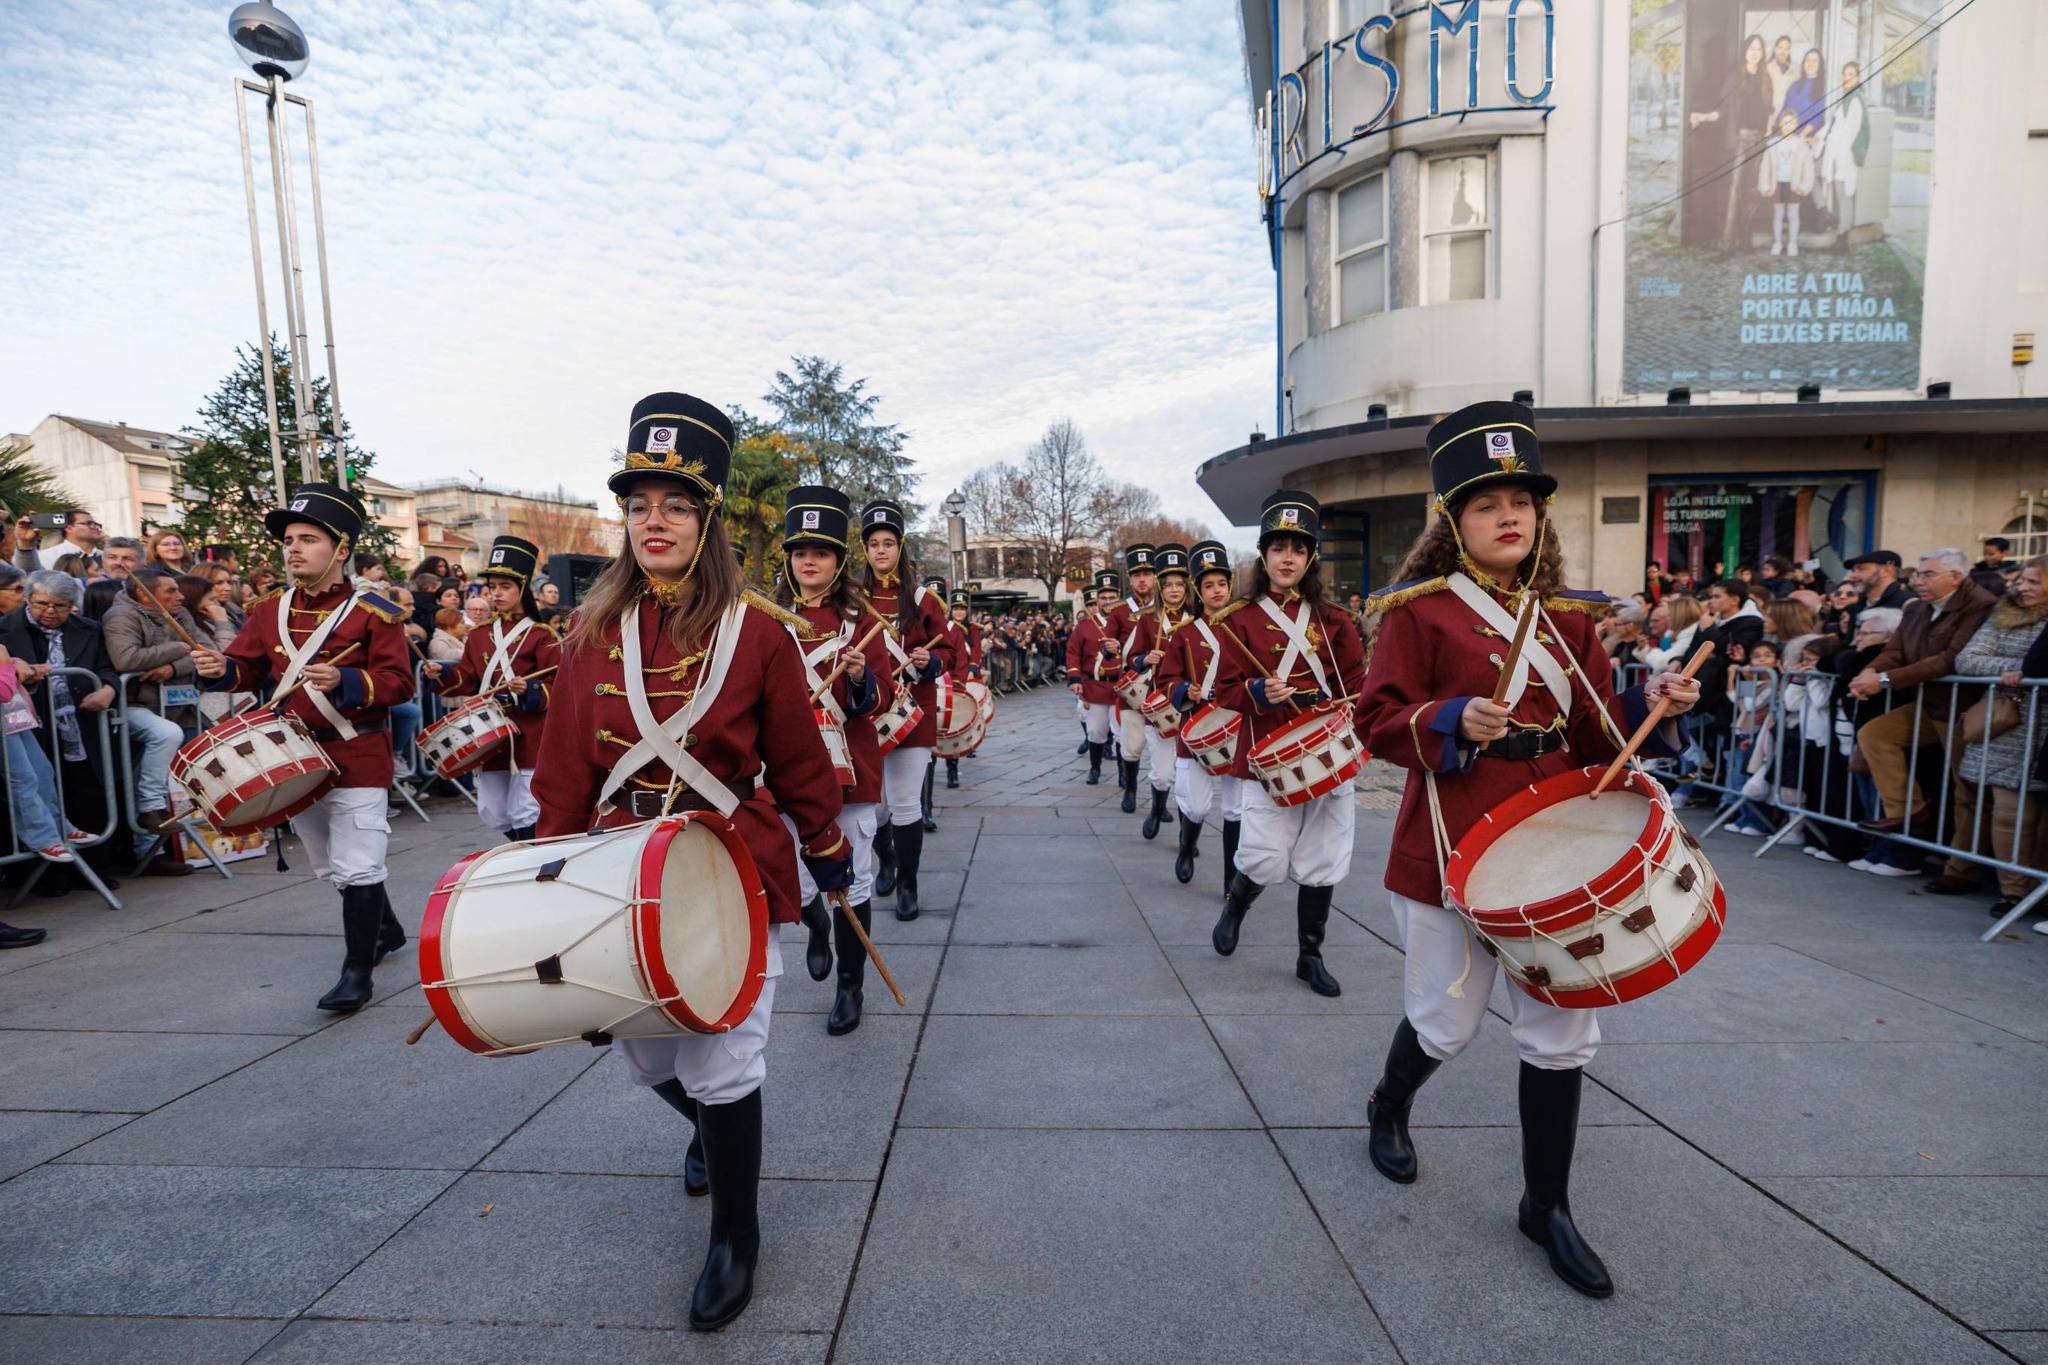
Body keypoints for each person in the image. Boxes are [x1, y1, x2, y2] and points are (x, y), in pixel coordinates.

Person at [1353, 400, 1699, 1298]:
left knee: (1560, 1033)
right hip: (1451, 844)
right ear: (1453, 524)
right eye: (1485, 503)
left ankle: (1546, 1205)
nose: (1511, 514)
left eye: (1523, 499)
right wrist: (1450, 717)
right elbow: (1375, 720)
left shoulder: (1568, 621)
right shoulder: (1419, 615)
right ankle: (1389, 1102)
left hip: (1555, 845)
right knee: (1447, 1020)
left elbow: (1595, 734)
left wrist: (1654, 703)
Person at [531, 392, 849, 1331]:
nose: (653, 520)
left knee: (724, 1051)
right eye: (638, 504)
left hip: (724, 863)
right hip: (622, 866)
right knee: (645, 1053)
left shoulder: (759, 633)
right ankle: (713, 1141)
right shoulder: (590, 635)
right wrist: (551, 879)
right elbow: (560, 774)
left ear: (705, 519)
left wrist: (828, 862)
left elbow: (798, 760)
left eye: (673, 503)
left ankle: (736, 1235)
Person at [191, 483, 416, 1013]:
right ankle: (385, 928)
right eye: (289, 539)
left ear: (340, 550)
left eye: (307, 539)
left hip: (357, 752)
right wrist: (218, 669)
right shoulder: (269, 609)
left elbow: (400, 684)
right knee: (329, 867)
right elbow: (246, 666)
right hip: (292, 756)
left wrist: (346, 680)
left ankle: (356, 972)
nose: (292, 549)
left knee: (358, 863)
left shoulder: (374, 613)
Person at [1209, 491, 1365, 998]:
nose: (1287, 558)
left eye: (1298, 549)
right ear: (1264, 555)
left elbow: (1359, 685)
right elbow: (1224, 690)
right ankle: (1236, 905)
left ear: (1310, 557)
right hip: (1268, 758)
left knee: (1323, 859)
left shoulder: (1335, 620)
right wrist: (1257, 689)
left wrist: (1347, 708)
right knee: (1261, 857)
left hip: (1327, 755)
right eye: (1278, 548)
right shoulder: (1238, 620)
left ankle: (1309, 955)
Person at [772, 485, 884, 1034]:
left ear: (839, 563)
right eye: (799, 552)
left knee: (854, 880)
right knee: (795, 873)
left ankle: (850, 988)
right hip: (785, 771)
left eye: (819, 552)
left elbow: (881, 700)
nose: (808, 561)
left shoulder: (862, 623)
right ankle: (815, 923)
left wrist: (861, 678)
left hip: (849, 771)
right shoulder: (766, 620)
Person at [1922, 557, 2046, 916]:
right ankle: (2013, 890)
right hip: (2009, 723)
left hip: (2045, 725)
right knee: (2010, 812)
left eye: (2034, 581)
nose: (2023, 587)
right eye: (2022, 580)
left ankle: (2041, 887)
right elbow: (1968, 660)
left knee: (2043, 817)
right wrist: (2015, 669)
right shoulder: (2004, 614)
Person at [1850, 549, 2000, 837]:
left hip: (1963, 708)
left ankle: (1961, 868)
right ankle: (1908, 811)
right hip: (1929, 704)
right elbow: (1895, 650)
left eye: (1928, 574)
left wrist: (1883, 680)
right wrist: (1869, 672)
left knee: (1965, 789)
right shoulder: (1918, 608)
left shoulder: (1981, 605)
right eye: (1917, 574)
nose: (1918, 581)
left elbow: (1950, 658)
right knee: (1875, 735)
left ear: (1956, 577)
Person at [856, 497, 954, 921]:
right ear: (865, 550)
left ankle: (909, 884)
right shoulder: (852, 597)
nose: (881, 550)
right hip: (866, 713)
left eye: (888, 542)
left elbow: (948, 650)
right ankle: (887, 861)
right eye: (873, 543)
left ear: (901, 547)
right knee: (873, 809)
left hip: (913, 711)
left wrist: (928, 662)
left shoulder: (923, 598)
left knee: (905, 802)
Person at [423, 536, 557, 842]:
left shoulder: (540, 634)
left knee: (527, 809)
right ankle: (526, 852)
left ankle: (530, 863)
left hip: (529, 731)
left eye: (504, 586)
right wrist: (440, 675)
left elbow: (558, 684)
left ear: (522, 588)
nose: (496, 593)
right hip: (490, 731)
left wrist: (530, 688)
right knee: (492, 811)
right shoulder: (480, 634)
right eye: (493, 586)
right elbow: (468, 678)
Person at [0, 572, 121, 875]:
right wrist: (15, 668)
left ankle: (90, 863)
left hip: (78, 725)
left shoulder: (89, 629)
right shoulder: (6, 629)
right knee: (26, 781)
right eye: (42, 604)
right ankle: (46, 868)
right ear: (27, 598)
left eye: (60, 606)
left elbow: (107, 666)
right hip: (27, 721)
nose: (50, 612)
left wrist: (109, 688)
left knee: (62, 781)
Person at [101, 567, 201, 876]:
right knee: (165, 735)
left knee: (160, 765)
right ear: (145, 595)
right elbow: (127, 659)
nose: (180, 596)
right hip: (133, 704)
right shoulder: (121, 616)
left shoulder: (181, 613)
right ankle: (149, 810)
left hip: (178, 704)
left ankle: (156, 852)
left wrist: (172, 667)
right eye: (171, 591)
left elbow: (206, 651)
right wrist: (178, 648)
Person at [1156, 540, 1245, 889]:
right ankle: (1186, 845)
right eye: (1208, 585)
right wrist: (1184, 692)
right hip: (1197, 724)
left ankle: (1230, 882)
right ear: (1199, 590)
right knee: (1194, 806)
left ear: (1230, 585)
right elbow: (1165, 679)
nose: (1216, 590)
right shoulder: (1185, 634)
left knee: (1235, 809)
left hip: (1237, 724)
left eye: (1221, 584)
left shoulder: (1245, 627)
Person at [1691, 34, 1775, 255]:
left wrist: (1768, 133)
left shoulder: (1766, 79)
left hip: (1759, 141)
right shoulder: (1734, 78)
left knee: (1750, 192)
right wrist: (1704, 117)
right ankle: (1727, 245)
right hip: (1739, 140)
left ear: (1763, 53)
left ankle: (1744, 240)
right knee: (1734, 191)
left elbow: (1769, 111)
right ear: (1744, 51)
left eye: (1759, 48)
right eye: (1751, 48)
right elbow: (1724, 111)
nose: (1755, 52)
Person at [1135, 544, 1195, 840]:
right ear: (1160, 587)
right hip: (1159, 704)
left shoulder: (1198, 619)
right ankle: (1157, 809)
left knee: (1187, 777)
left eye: (1179, 584)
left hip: (1192, 706)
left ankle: (1186, 837)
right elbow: (1129, 658)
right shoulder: (1148, 619)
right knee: (1163, 773)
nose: (1173, 590)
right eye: (1168, 584)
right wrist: (1145, 659)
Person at [1105, 545, 1159, 815]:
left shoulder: (1166, 609)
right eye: (1137, 574)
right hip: (1132, 688)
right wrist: (1110, 649)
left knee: (1163, 750)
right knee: (1132, 745)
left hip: (1161, 688)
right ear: (1130, 578)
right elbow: (1107, 651)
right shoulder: (1118, 611)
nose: (1142, 579)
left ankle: (1159, 799)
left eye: (1147, 573)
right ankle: (1130, 789)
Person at [1066, 571, 1124, 786]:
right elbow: (1073, 652)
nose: (1108, 602)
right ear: (1097, 600)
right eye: (1103, 598)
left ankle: (1124, 775)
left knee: (1121, 734)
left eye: (1112, 598)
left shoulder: (1129, 622)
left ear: (1119, 597)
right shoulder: (1085, 626)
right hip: (1095, 686)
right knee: (1096, 732)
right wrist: (1075, 679)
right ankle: (1095, 768)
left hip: (1121, 688)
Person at [1818, 61, 1867, 252]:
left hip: (1844, 156)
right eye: (1844, 74)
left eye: (1851, 74)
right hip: (1836, 154)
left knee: (1844, 196)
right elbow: (1833, 125)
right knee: (1840, 195)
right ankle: (1837, 228)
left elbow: (1849, 134)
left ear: (1858, 78)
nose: (1846, 77)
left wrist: (1838, 158)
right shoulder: (1846, 99)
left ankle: (1843, 239)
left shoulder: (1855, 101)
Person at [1759, 108, 1815, 258]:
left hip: (1793, 184)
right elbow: (1765, 167)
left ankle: (1792, 244)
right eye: (1785, 123)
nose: (1788, 126)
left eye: (1792, 123)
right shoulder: (1773, 144)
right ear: (1780, 125)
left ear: (1796, 124)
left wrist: (1803, 187)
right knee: (1778, 213)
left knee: (1793, 214)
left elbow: (1808, 168)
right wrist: (1765, 187)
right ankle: (1777, 243)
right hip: (1777, 183)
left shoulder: (1801, 144)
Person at [942, 587, 982, 789]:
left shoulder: (971, 629)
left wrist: (969, 672)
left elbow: (975, 650)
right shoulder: (940, 625)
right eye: (955, 608)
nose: (958, 612)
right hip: (939, 680)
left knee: (956, 724)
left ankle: (952, 767)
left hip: (960, 678)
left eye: (962, 608)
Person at [15, 509, 102, 572]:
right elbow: (30, 574)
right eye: (89, 523)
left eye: (96, 524)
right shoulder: (46, 556)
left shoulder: (107, 557)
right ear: (69, 528)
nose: (96, 527)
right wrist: (25, 544)